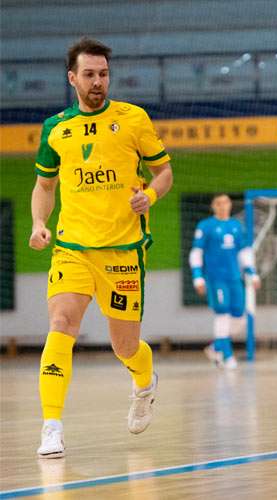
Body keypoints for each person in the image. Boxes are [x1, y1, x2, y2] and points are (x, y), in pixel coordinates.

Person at [30, 38, 173, 458]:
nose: (98, 82)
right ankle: (51, 427)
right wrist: (40, 222)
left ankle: (144, 382)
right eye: (89, 74)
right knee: (61, 324)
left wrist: (151, 194)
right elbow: (44, 185)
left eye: (104, 74)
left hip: (123, 251)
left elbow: (163, 172)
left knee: (124, 346)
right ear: (72, 77)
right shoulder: (55, 128)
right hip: (72, 247)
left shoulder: (132, 119)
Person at [189, 193, 260, 370]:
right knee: (222, 314)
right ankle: (226, 355)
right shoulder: (206, 226)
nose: (222, 206)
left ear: (230, 205)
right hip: (215, 278)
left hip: (234, 277)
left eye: (225, 202)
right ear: (213, 206)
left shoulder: (236, 226)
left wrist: (252, 273)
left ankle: (216, 347)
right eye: (218, 203)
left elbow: (244, 251)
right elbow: (196, 253)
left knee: (240, 317)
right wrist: (198, 277)